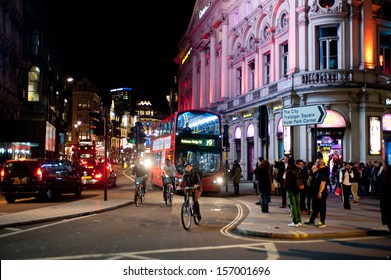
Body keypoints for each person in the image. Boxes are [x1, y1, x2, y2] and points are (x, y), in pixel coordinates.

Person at [304, 157, 328, 227]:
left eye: (316, 162)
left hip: (321, 193)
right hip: (315, 192)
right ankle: (311, 220)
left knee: (322, 207)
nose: (315, 163)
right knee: (315, 207)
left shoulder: (323, 171)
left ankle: (322, 222)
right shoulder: (318, 171)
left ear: (319, 163)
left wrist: (320, 192)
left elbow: (323, 182)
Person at [285, 157, 304, 227]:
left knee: (293, 205)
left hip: (291, 189)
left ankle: (295, 221)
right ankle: (299, 220)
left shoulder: (289, 171)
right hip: (298, 189)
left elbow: (287, 182)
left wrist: (286, 188)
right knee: (297, 205)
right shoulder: (298, 170)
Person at [380, 164, 391, 239]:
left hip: (387, 204)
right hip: (386, 204)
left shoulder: (386, 182)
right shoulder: (384, 179)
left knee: (389, 219)